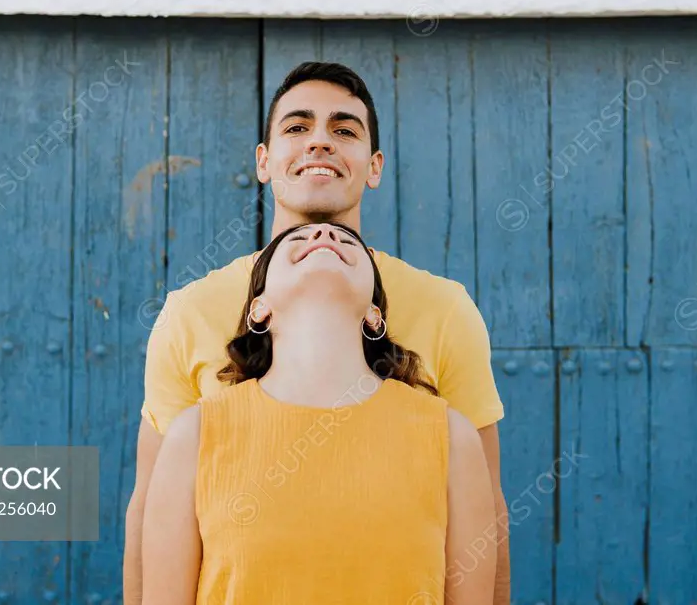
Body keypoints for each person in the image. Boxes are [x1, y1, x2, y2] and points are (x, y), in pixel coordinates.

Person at [124, 61, 510, 603]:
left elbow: (484, 509)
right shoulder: (188, 313)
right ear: (264, 161)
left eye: (345, 130)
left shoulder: (446, 309)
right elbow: (148, 509)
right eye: (297, 127)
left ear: (373, 166)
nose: (320, 143)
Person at [140, 221, 497, 604]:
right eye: (298, 240)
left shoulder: (450, 436)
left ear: (375, 314)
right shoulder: (194, 435)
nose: (324, 236)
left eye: (345, 241)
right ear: (259, 309)